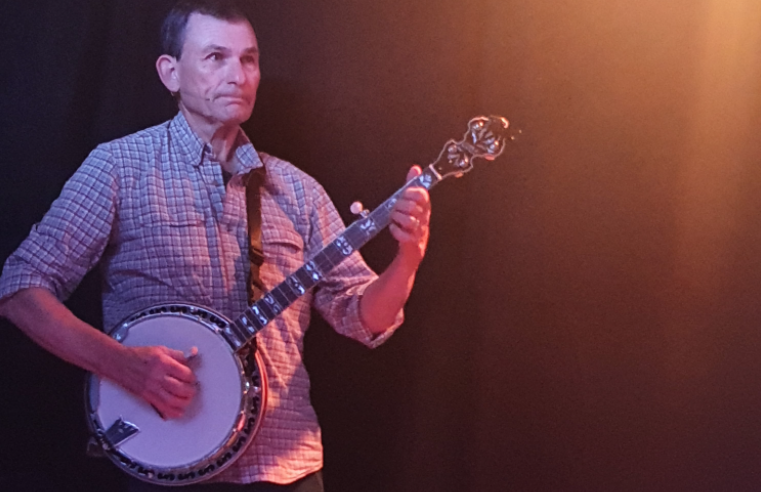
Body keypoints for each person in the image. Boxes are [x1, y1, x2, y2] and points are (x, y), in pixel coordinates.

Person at [0, 1, 431, 491]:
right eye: (215, 57)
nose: (238, 75)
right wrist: (122, 365)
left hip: (286, 469)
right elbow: (20, 289)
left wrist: (408, 258)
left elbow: (364, 318)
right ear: (170, 72)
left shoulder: (299, 190)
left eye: (249, 59)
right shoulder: (120, 167)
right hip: (164, 465)